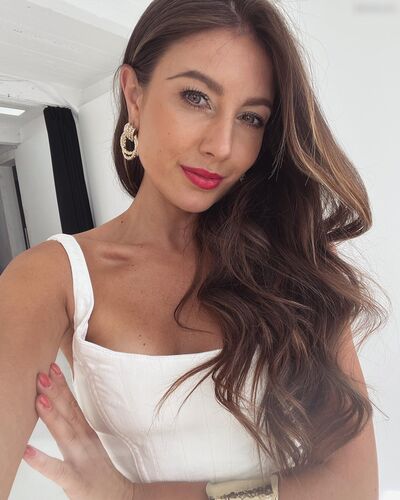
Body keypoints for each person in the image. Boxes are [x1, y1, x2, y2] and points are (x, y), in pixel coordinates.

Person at [0, 0, 388, 498]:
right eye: (196, 97)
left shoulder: (295, 267)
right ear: (134, 95)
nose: (222, 146)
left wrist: (134, 497)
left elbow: (354, 486)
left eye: (251, 117)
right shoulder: (53, 277)